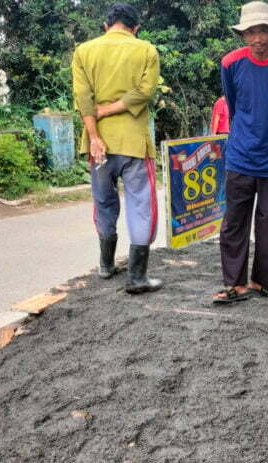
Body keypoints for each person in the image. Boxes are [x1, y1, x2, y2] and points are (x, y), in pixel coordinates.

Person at [213, 1, 268, 304]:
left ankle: (262, 281)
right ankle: (233, 284)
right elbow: (234, 104)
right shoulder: (230, 63)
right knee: (234, 223)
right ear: (243, 35)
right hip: (240, 157)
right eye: (251, 32)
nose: (258, 39)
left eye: (263, 31)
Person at [72, 2, 162, 294]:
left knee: (103, 202)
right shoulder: (146, 50)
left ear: (106, 26)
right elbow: (145, 93)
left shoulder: (84, 51)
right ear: (135, 28)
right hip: (134, 142)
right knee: (140, 205)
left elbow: (83, 98)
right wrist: (113, 109)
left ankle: (106, 265)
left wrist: (95, 136)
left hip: (99, 146)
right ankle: (137, 277)